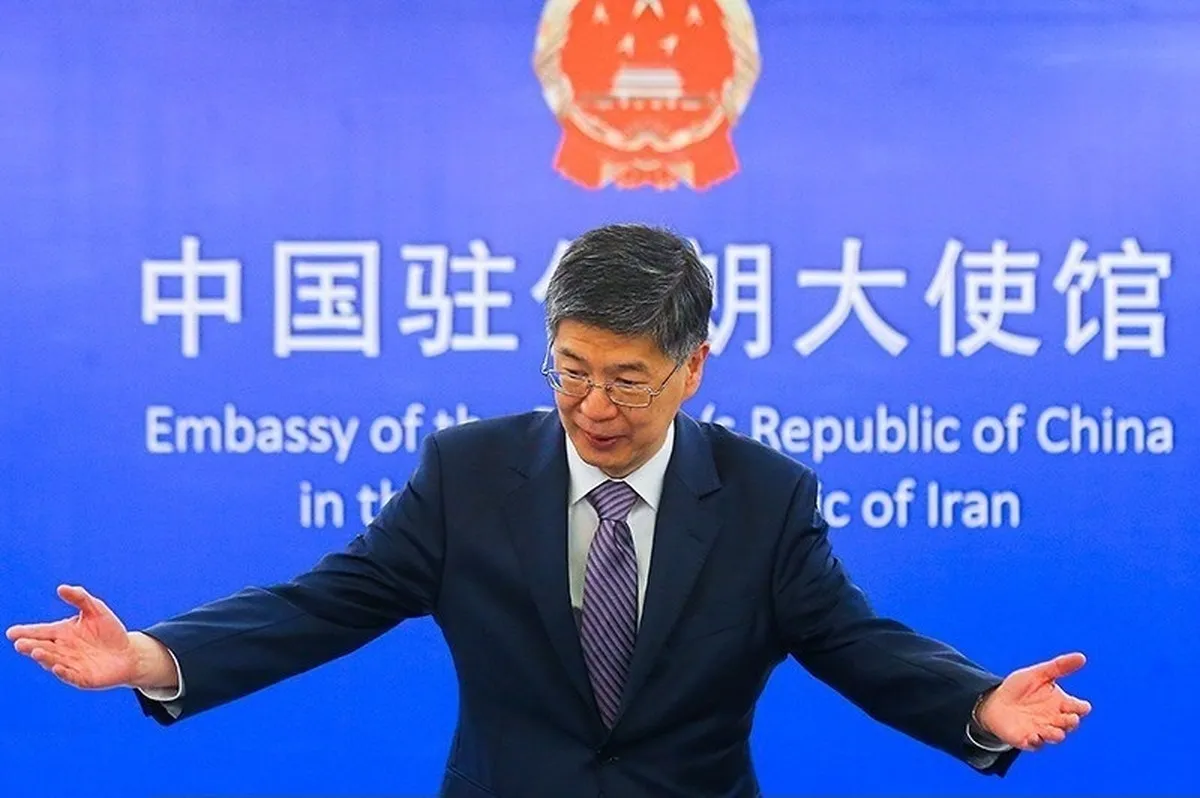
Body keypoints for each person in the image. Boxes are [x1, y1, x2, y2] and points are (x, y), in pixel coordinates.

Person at [7, 223, 1090, 797]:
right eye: (570, 371)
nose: (593, 407)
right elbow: (324, 605)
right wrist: (150, 656)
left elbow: (855, 643)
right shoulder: (469, 473)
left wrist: (976, 705)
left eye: (627, 379)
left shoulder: (766, 498)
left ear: (693, 368)